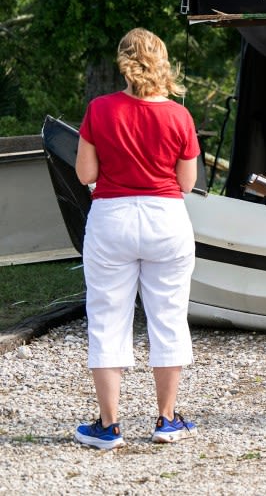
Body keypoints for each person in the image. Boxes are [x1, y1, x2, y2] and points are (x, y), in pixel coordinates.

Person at [73, 28, 201, 450]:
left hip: (113, 217)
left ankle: (108, 427)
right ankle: (166, 420)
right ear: (162, 62)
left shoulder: (99, 109)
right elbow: (186, 182)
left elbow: (86, 176)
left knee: (108, 318)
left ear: (123, 62)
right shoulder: (180, 116)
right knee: (168, 316)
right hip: (166, 218)